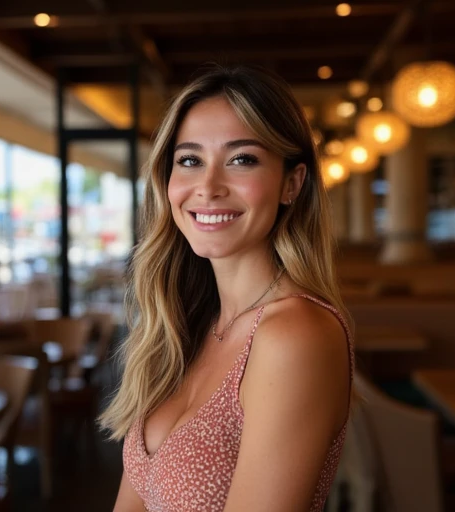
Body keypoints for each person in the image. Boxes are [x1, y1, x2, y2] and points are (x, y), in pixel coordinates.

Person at [101, 65, 354, 512]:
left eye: (242, 159)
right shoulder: (185, 325)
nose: (208, 187)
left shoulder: (294, 334)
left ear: (291, 183)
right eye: (190, 160)